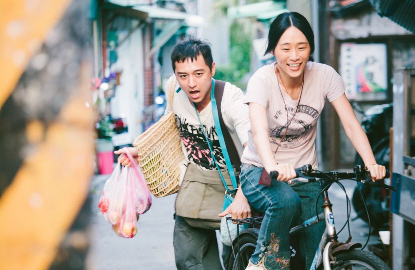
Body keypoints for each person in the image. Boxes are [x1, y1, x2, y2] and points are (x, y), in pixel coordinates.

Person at [239, 12, 387, 270]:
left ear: (311, 47)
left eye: (302, 47)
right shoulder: (261, 81)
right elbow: (260, 131)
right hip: (260, 171)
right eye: (285, 48)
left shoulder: (325, 76)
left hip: (307, 174)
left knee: (311, 257)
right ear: (273, 49)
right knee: (284, 201)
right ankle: (261, 263)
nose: (294, 56)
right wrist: (273, 166)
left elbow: (351, 124)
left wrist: (371, 163)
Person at [115, 38, 251, 270]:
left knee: (240, 261)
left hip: (237, 187)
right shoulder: (173, 89)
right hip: (196, 185)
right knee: (190, 260)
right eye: (183, 75)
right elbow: (170, 125)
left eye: (199, 74)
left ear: (212, 69)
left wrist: (244, 194)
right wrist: (140, 151)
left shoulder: (230, 98)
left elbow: (253, 145)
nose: (191, 83)